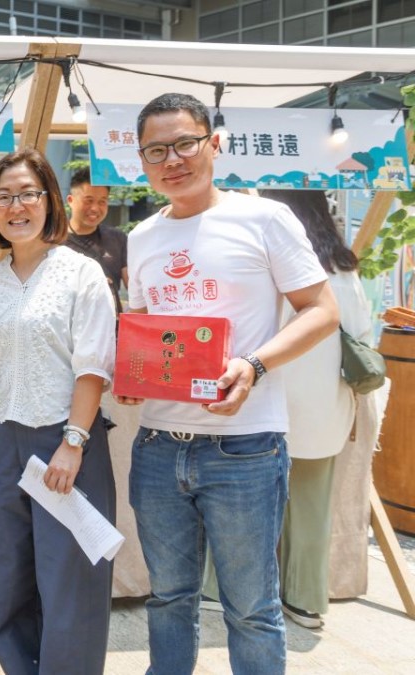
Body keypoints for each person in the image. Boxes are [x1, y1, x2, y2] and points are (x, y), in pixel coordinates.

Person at [119, 93, 339, 674]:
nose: (173, 159)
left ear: (213, 144)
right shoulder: (142, 236)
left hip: (246, 447)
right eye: (156, 150)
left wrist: (254, 365)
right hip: (158, 445)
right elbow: (145, 326)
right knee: (168, 598)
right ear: (142, 160)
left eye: (185, 143)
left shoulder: (264, 218)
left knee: (251, 609)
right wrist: (134, 371)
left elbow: (322, 311)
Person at [0, 149, 117, 674]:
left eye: (27, 194)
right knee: (7, 578)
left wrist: (73, 442)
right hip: (4, 439)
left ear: (50, 200)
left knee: (69, 583)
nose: (15, 207)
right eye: (3, 197)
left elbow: (93, 366)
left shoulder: (81, 273)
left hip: (64, 440)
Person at [260, 189, 373, 630]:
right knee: (310, 506)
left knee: (243, 505)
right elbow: (362, 333)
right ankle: (305, 600)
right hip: (324, 406)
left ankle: (218, 590)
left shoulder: (267, 262)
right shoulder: (343, 268)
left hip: (265, 401)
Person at [64, 167, 127, 313]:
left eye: (102, 202)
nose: (95, 208)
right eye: (89, 200)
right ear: (70, 200)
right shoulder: (53, 241)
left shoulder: (117, 238)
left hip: (111, 323)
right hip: (70, 322)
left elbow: (135, 285)